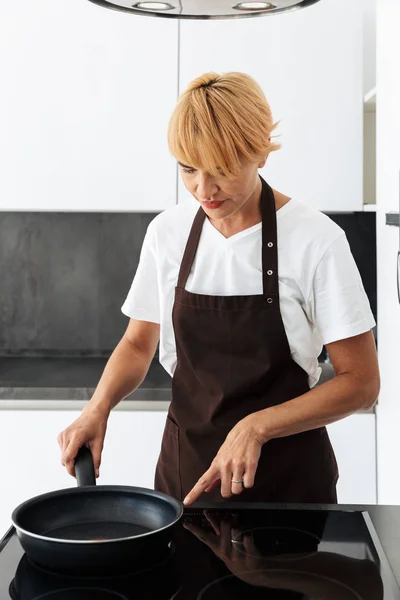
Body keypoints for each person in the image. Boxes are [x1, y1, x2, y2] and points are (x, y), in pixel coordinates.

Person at [58, 72, 380, 506]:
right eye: (189, 169)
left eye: (223, 170)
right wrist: (98, 407)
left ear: (261, 152)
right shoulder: (166, 234)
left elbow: (361, 382)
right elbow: (138, 343)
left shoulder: (316, 240)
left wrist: (255, 426)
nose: (203, 190)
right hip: (185, 478)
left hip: (287, 486)